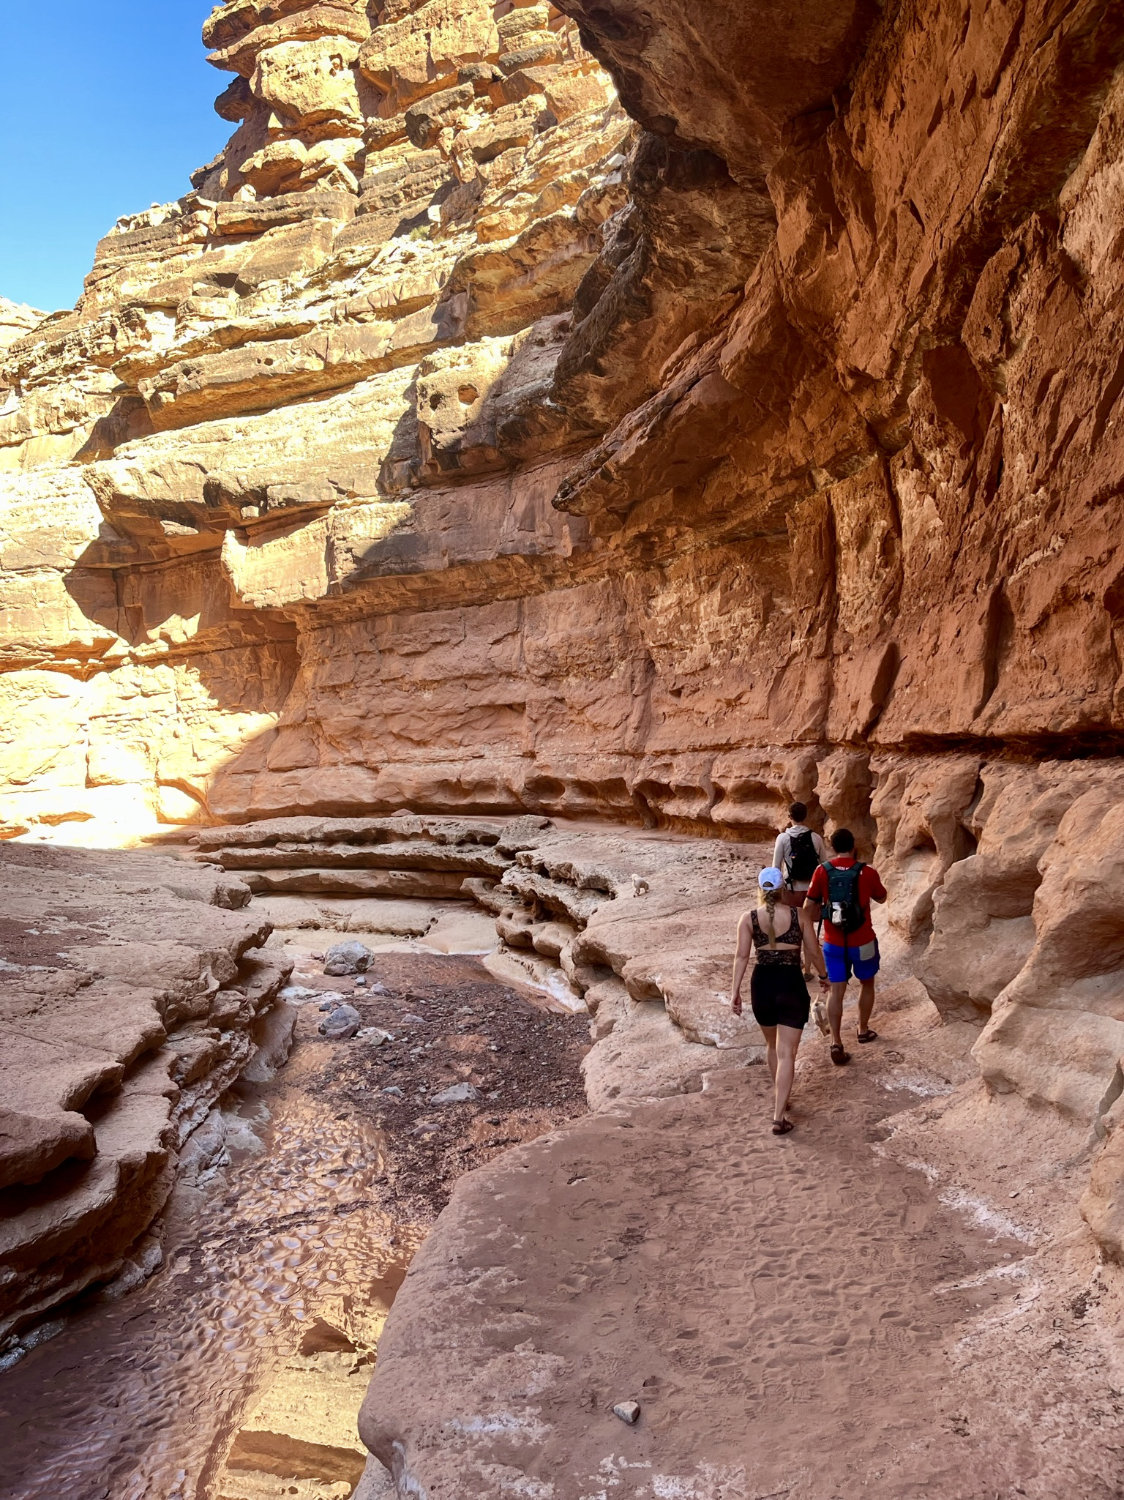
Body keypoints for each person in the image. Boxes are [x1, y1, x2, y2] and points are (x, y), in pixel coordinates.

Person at [731, 866, 830, 1135]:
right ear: (782, 889)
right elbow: (812, 949)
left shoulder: (748, 918)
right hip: (790, 984)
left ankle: (782, 1100)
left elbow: (741, 957)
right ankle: (778, 1116)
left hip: (762, 985)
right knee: (788, 1052)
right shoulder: (799, 915)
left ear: (760, 890)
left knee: (772, 1046)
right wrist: (823, 975)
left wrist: (735, 992)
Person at [804, 829, 888, 1066]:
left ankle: (837, 1042)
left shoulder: (822, 871)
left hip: (833, 943)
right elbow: (882, 897)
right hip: (863, 941)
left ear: (831, 847)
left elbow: (808, 908)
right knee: (867, 982)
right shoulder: (867, 872)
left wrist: (826, 914)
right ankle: (862, 1030)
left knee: (835, 990)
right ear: (854, 846)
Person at [772, 802, 828, 974]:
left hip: (791, 890)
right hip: (811, 891)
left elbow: (775, 867)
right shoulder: (816, 838)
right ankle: (808, 970)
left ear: (789, 817)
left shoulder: (782, 838)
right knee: (809, 930)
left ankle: (794, 965)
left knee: (792, 928)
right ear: (806, 816)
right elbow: (824, 867)